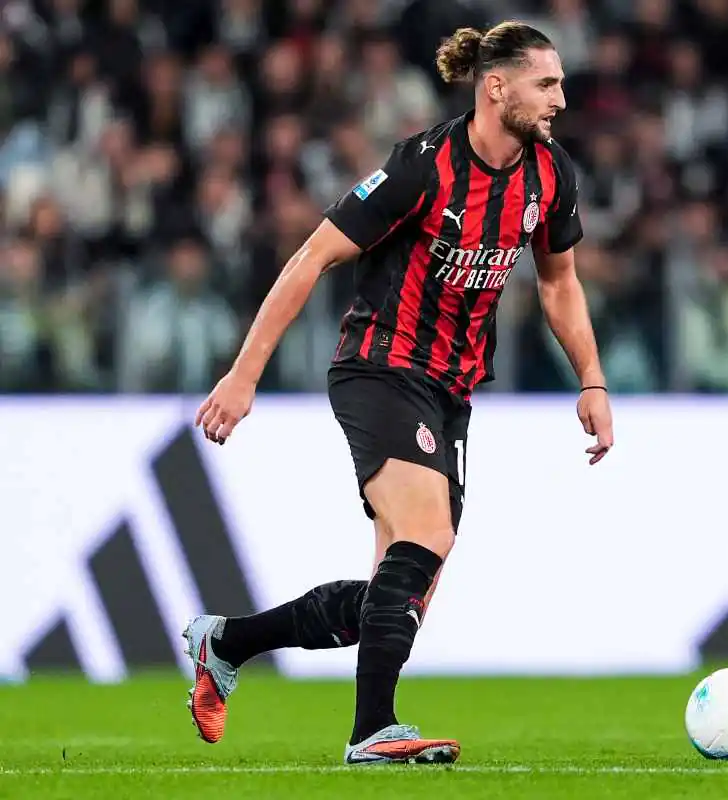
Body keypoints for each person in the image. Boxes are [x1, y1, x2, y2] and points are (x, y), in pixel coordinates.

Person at [181, 21, 614, 766]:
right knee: (428, 536)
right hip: (380, 369)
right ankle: (372, 730)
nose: (561, 100)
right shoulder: (421, 167)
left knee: (399, 596)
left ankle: (229, 641)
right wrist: (243, 374)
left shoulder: (551, 175)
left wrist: (593, 380)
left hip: (452, 390)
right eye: (547, 84)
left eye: (562, 84)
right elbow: (311, 257)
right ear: (496, 87)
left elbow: (560, 283)